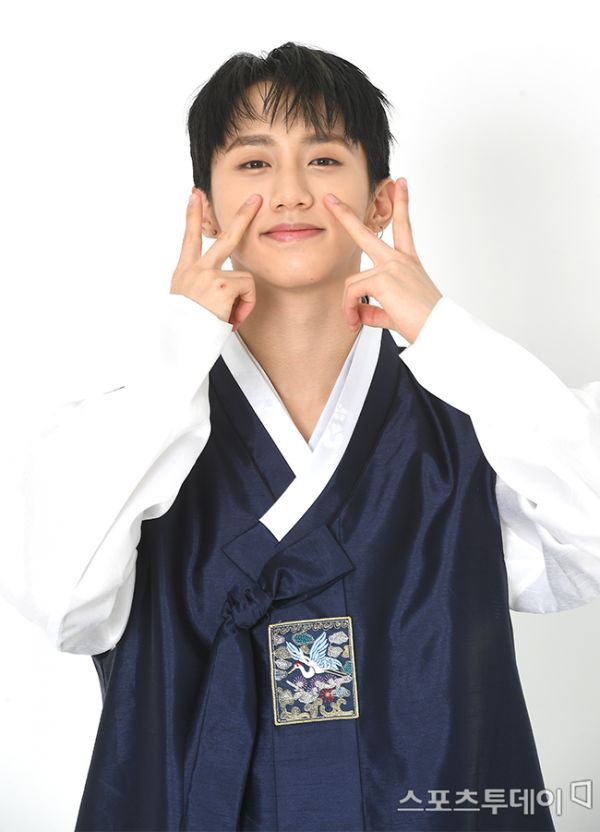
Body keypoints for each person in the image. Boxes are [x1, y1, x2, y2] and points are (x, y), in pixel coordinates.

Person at [11, 41, 600, 831]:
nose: (289, 193)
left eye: (323, 159)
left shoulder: (472, 422)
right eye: (254, 163)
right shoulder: (130, 429)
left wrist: (444, 333)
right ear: (205, 208)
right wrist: (175, 350)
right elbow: (65, 606)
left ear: (381, 200)